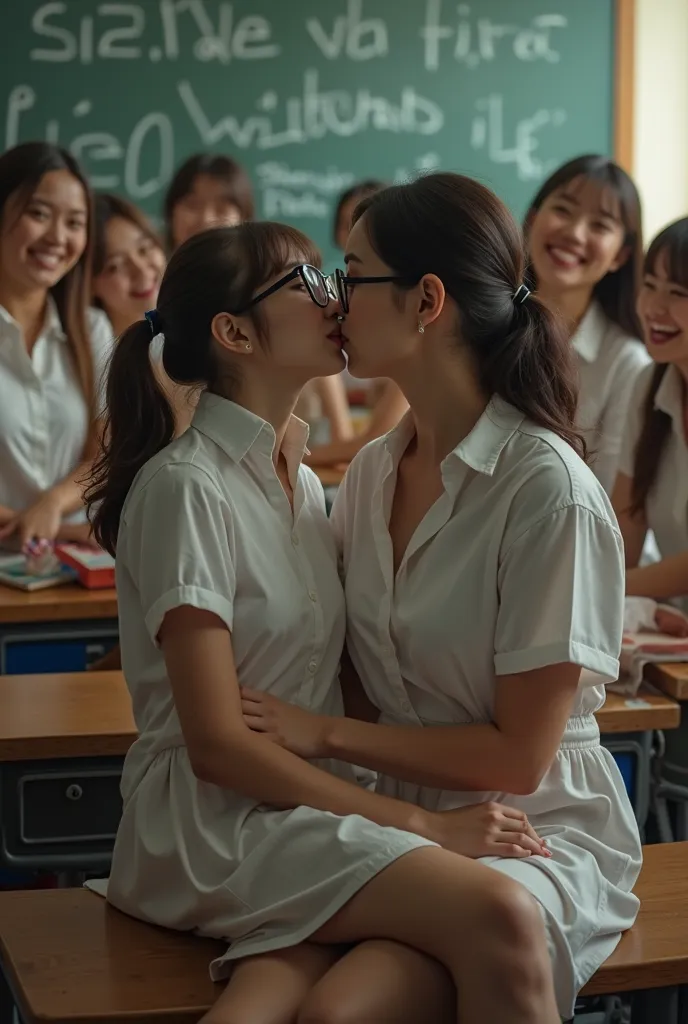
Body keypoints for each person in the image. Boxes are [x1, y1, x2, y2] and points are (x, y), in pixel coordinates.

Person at [86, 221, 561, 1024]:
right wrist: (424, 825)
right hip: (213, 824)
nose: (334, 296)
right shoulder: (186, 487)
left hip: (304, 810)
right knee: (499, 914)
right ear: (233, 332)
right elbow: (216, 747)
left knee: (283, 1001)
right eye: (305, 283)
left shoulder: (304, 485)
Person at [239, 173, 643, 1022]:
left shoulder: (547, 491)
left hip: (531, 827)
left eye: (352, 273)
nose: (334, 300)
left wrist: (323, 734)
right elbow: (354, 663)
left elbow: (517, 760)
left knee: (341, 1012)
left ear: (427, 301)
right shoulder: (375, 469)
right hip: (402, 816)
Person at [0, 142, 113, 552]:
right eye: (38, 214)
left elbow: (106, 454)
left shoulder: (91, 328)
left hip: (75, 574)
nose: (57, 238)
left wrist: (52, 505)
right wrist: (44, 525)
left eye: (74, 222)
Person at [525, 154, 650, 493]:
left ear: (620, 256)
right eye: (563, 210)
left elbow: (607, 495)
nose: (575, 234)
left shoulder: (628, 362)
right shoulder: (485, 325)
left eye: (600, 225)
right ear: (533, 219)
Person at [612, 217, 688, 608]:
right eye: (650, 285)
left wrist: (610, 587)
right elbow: (625, 524)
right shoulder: (649, 384)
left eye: (677, 292)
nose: (654, 307)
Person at [308, 179, 408, 469]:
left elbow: (375, 442)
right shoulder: (335, 302)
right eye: (348, 223)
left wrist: (282, 454)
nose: (337, 307)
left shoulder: (409, 330)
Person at [92, 193, 196, 436]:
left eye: (144, 248)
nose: (140, 270)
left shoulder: (192, 331)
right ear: (88, 283)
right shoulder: (97, 354)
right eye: (115, 266)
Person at [164, 152, 254, 252]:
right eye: (193, 205)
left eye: (221, 209)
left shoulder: (263, 267)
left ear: (244, 219)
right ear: (171, 213)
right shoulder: (151, 265)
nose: (206, 219)